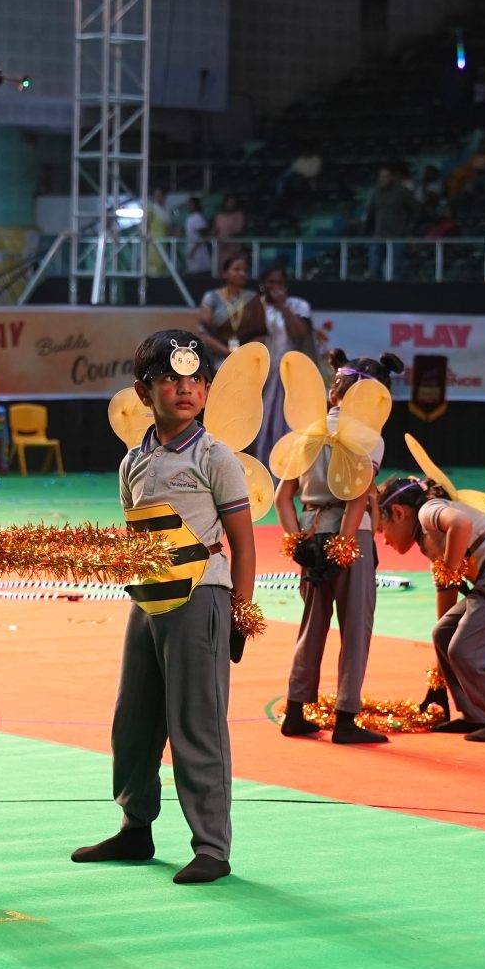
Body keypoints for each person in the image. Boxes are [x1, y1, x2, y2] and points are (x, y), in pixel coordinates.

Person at [72, 333, 256, 884]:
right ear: (143, 391)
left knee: (197, 724)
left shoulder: (215, 457)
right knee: (133, 722)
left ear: (208, 389)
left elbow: (244, 542)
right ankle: (135, 829)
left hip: (201, 597)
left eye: (196, 380)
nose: (185, 389)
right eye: (171, 379)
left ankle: (212, 847)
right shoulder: (133, 461)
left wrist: (240, 613)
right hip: (148, 600)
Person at [276, 353, 402, 746]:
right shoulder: (369, 438)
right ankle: (346, 717)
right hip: (351, 537)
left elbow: (282, 498)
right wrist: (343, 547)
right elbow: (357, 497)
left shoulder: (306, 432)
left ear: (335, 392)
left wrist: (299, 544)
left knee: (312, 624)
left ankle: (295, 711)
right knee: (355, 627)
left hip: (311, 533)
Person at [375, 474, 485, 742]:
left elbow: (461, 523)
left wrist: (450, 568)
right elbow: (445, 614)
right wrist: (438, 681)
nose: (383, 541)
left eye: (381, 529)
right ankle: (474, 714)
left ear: (398, 513)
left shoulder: (428, 512)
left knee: (467, 652)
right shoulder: (430, 542)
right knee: (444, 633)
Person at [235, 266, 316, 456]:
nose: (275, 286)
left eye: (279, 282)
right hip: (263, 374)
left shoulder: (298, 305)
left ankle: (289, 465)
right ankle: (264, 464)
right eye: (271, 282)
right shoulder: (256, 307)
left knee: (288, 421)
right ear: (263, 285)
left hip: (291, 373)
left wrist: (283, 307)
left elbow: (300, 332)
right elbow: (247, 338)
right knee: (263, 422)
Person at [195, 251, 254, 359]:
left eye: (245, 270)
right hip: (217, 358)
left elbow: (260, 332)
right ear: (225, 273)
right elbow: (204, 331)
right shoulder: (211, 297)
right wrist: (228, 352)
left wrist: (243, 353)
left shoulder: (251, 298)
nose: (242, 273)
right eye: (237, 269)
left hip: (245, 357)